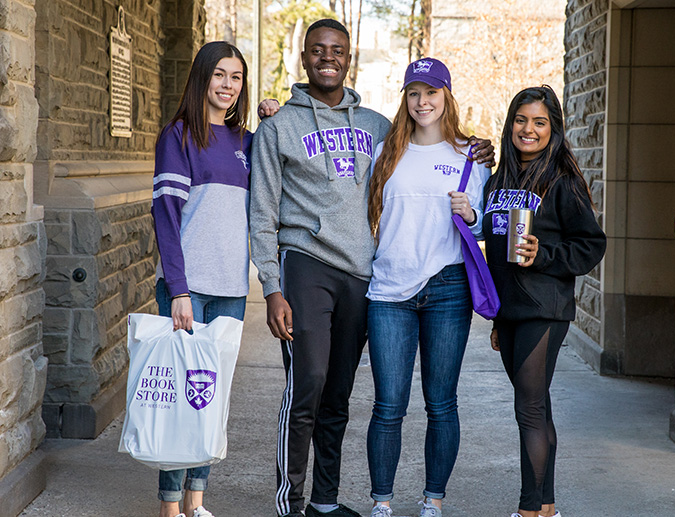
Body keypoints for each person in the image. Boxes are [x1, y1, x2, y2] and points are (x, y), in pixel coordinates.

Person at [250, 19, 495, 517]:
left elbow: (451, 173)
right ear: (304, 56)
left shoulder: (378, 129)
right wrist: (271, 286)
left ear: (349, 57)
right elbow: (261, 211)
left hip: (368, 274)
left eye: (336, 50)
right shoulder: (284, 128)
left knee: (340, 393)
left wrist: (479, 152)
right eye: (317, 49)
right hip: (314, 264)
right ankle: (291, 504)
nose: (327, 57)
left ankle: (324, 501)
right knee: (311, 382)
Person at [364, 58, 490, 517]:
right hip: (389, 292)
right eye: (414, 93)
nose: (423, 102)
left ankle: (432, 499)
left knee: (441, 403)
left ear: (447, 96)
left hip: (448, 288)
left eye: (431, 92)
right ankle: (382, 502)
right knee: (388, 405)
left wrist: (471, 215)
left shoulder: (470, 157)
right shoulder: (385, 154)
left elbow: (483, 225)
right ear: (405, 98)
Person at [482, 85, 606, 517]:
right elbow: (495, 254)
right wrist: (496, 317)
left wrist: (545, 254)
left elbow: (591, 245)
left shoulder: (562, 181)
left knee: (528, 409)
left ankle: (528, 510)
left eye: (539, 122)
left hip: (544, 308)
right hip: (510, 311)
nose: (528, 129)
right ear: (510, 124)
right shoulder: (498, 180)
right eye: (521, 120)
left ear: (552, 129)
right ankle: (547, 505)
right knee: (538, 406)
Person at [151, 41, 252, 517]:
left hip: (233, 289)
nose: (228, 86)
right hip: (188, 290)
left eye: (236, 77)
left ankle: (197, 503)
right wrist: (179, 290)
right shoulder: (178, 137)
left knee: (209, 402)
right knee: (178, 399)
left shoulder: (248, 143)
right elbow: (166, 215)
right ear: (201, 78)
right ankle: (171, 506)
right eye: (219, 75)